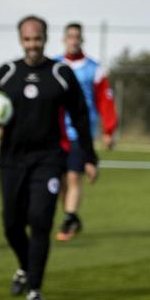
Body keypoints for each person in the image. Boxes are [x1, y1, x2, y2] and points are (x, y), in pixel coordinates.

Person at [0, 15, 98, 300]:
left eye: (37, 39)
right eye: (27, 40)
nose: (33, 45)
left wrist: (89, 157)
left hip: (49, 159)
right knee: (11, 223)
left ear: (45, 38)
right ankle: (25, 266)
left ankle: (35, 288)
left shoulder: (60, 73)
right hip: (11, 159)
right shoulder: (7, 73)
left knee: (40, 220)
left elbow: (80, 116)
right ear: (21, 40)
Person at [54, 22, 118, 242]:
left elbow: (105, 101)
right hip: (55, 131)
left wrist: (108, 130)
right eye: (70, 36)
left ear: (81, 40)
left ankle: (69, 218)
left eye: (77, 37)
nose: (73, 40)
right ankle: (71, 216)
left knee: (73, 176)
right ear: (64, 39)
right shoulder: (53, 65)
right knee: (61, 180)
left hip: (80, 132)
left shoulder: (94, 69)